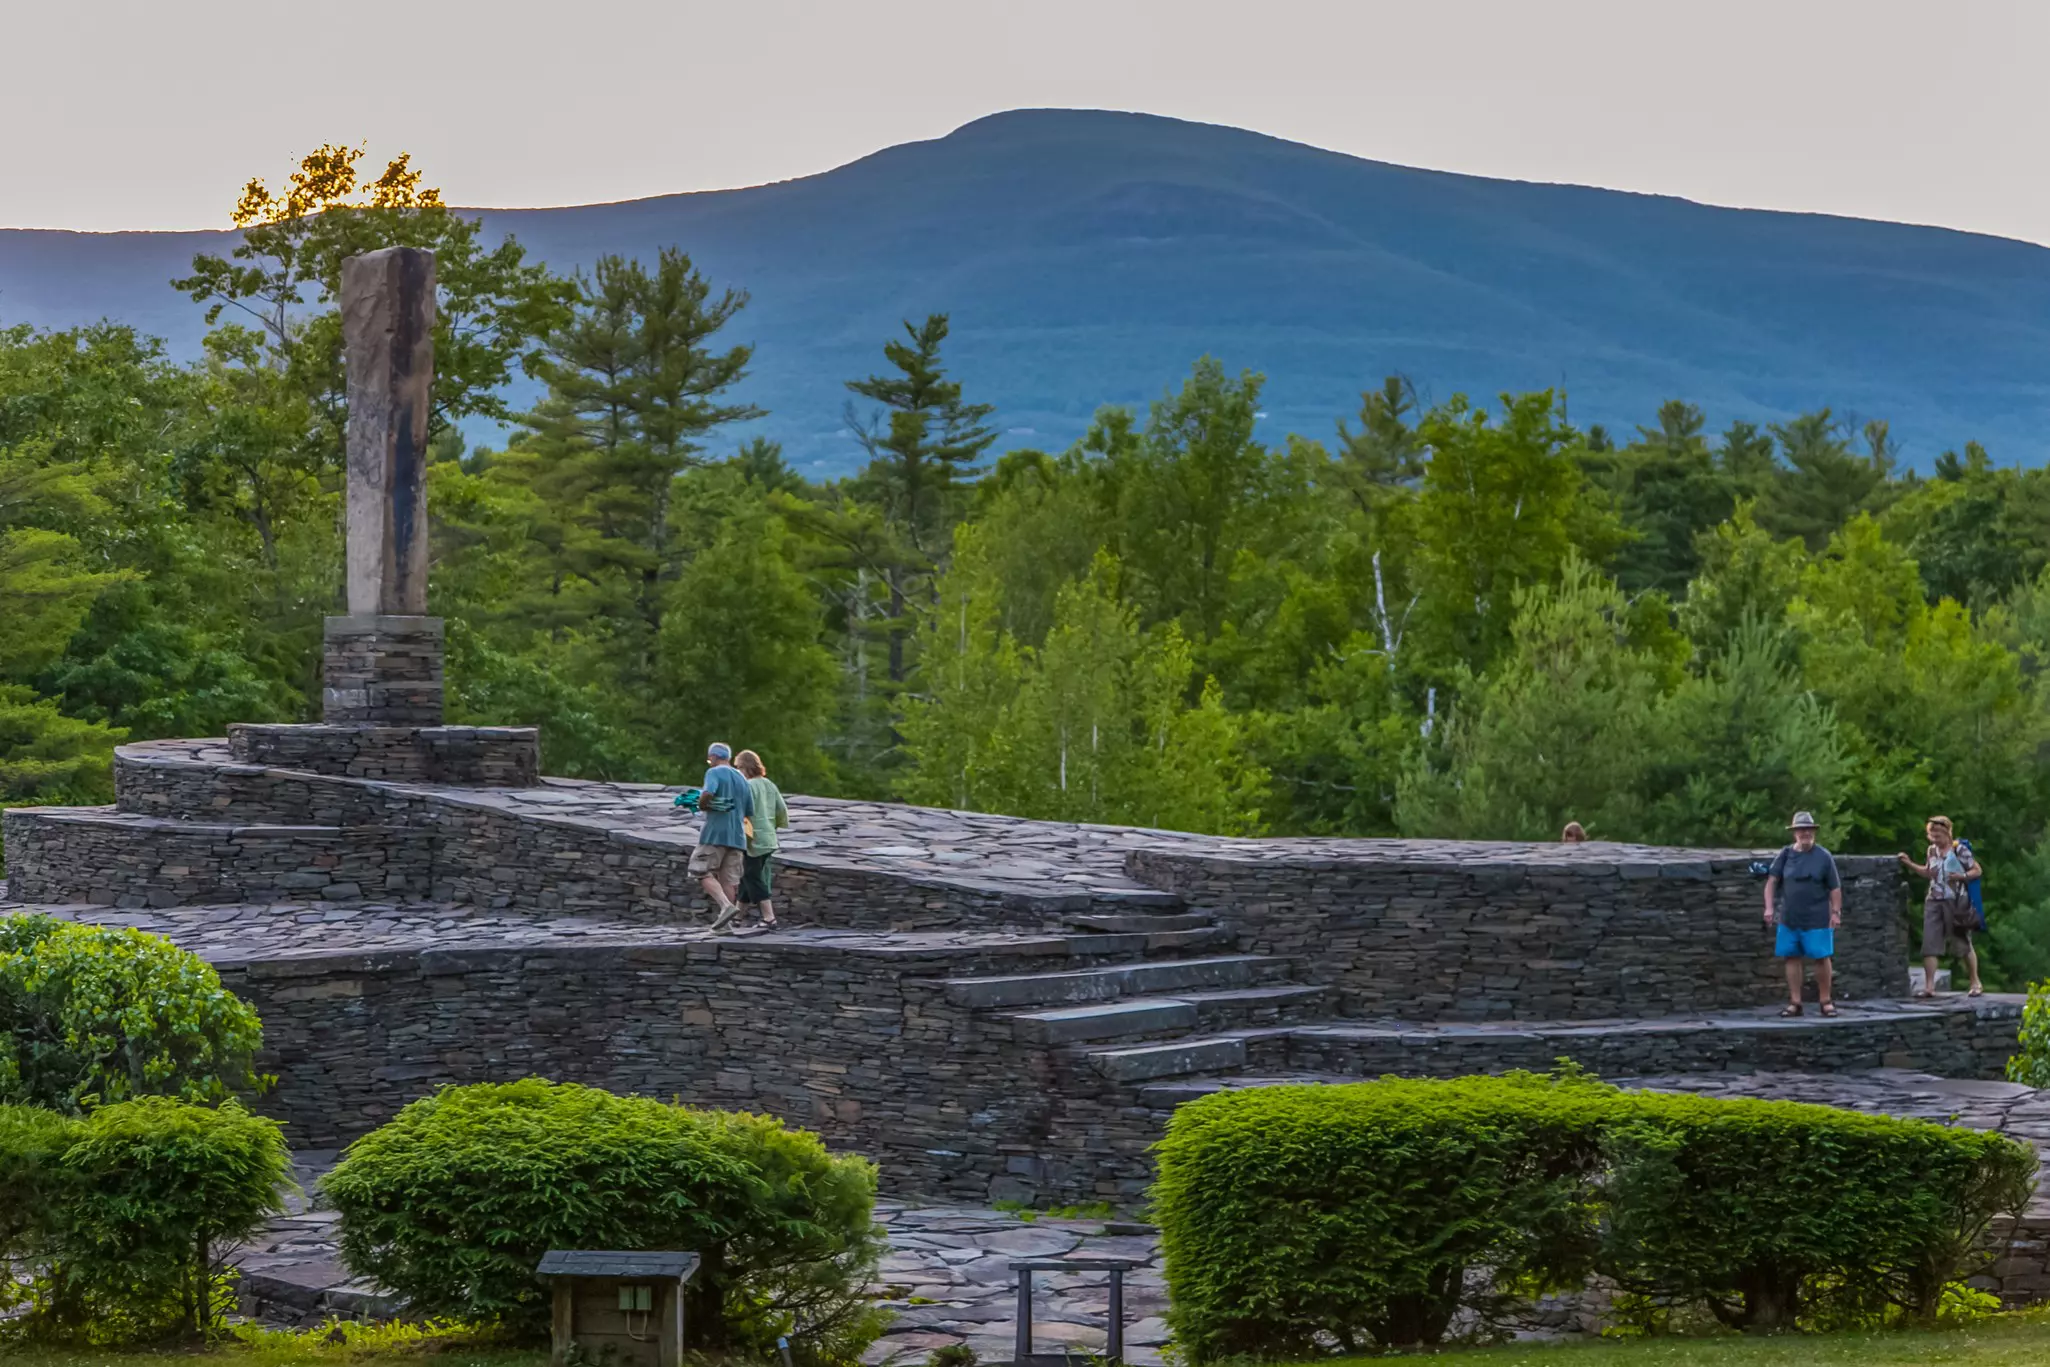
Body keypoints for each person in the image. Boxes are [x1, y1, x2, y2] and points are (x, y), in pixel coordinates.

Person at [1762, 810, 1842, 1018]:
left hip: (1817, 917)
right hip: (1789, 917)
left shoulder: (1824, 857)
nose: (1805, 833)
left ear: (1813, 831)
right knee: (1791, 957)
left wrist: (1836, 913)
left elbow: (1835, 888)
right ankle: (1795, 1002)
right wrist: (1769, 908)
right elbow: (1772, 881)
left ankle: (1826, 1001)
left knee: (1821, 957)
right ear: (1794, 832)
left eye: (1808, 829)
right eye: (1801, 829)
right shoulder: (1786, 854)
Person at [1899, 815, 1983, 997]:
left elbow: (1977, 870)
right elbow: (1929, 872)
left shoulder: (1959, 850)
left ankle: (1975, 982)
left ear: (1947, 833)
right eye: (1932, 834)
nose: (1935, 838)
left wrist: (1962, 877)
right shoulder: (1931, 851)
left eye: (1938, 834)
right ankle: (1929, 987)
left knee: (1962, 943)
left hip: (1955, 901)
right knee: (1930, 943)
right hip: (1934, 899)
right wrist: (1909, 864)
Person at [689, 742, 753, 932]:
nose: (710, 762)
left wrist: (702, 804)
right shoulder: (742, 779)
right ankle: (725, 926)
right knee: (728, 880)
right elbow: (749, 810)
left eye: (710, 759)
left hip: (715, 833)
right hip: (737, 837)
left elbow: (708, 792)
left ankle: (726, 906)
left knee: (699, 869)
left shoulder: (714, 773)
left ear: (715, 757)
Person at [733, 749, 790, 931]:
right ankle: (737, 916)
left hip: (753, 840)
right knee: (747, 877)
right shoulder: (769, 784)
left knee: (752, 876)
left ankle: (769, 917)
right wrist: (773, 827)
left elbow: (741, 812)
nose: (737, 772)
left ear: (745, 767)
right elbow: (781, 810)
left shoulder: (748, 787)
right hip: (768, 838)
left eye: (738, 767)